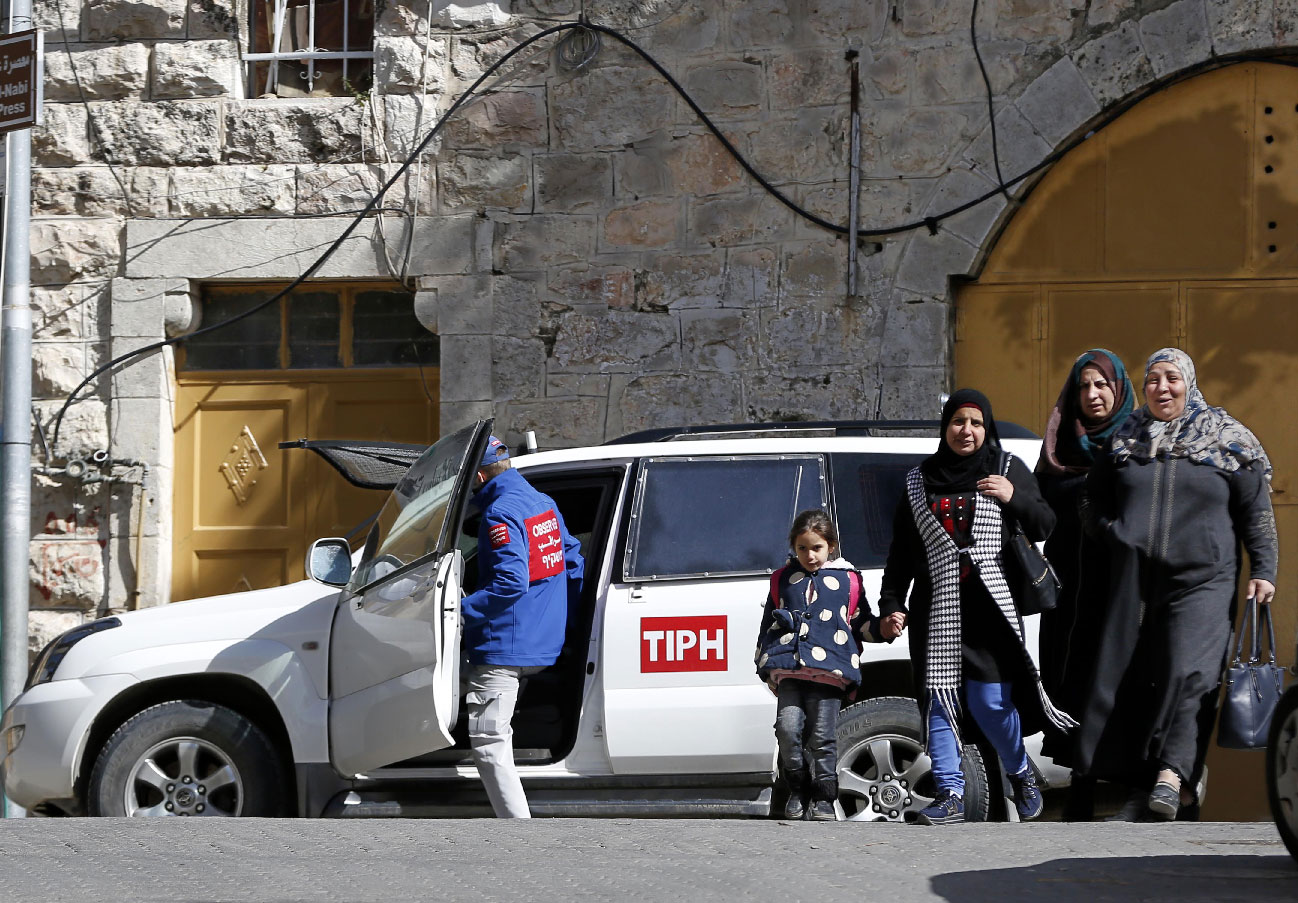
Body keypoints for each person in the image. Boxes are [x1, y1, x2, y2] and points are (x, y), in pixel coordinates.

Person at [1076, 348, 1277, 821]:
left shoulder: (1228, 438)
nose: (1162, 388)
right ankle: (1158, 784)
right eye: (1153, 379)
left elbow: (1256, 512)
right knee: (1140, 680)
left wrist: (1264, 570)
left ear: (1189, 382)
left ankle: (1172, 774)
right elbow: (1091, 498)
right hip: (1139, 583)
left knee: (1192, 673)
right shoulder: (1127, 437)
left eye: (1172, 378)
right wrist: (1112, 533)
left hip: (1204, 578)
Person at [878, 390, 1075, 825]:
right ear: (945, 426)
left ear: (987, 428)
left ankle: (1020, 771)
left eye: (976, 423)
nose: (966, 431)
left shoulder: (1005, 469)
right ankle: (949, 793)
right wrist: (891, 603)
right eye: (957, 422)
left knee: (989, 703)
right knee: (940, 701)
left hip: (992, 614)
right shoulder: (917, 481)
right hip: (936, 612)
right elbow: (901, 555)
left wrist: (1013, 497)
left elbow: (1046, 523)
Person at [1034, 349, 1135, 819]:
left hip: (1120, 592)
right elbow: (1036, 519)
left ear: (1119, 389)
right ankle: (1080, 782)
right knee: (1074, 682)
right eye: (1084, 386)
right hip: (1069, 595)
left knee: (1120, 681)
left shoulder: (1139, 443)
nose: (1093, 395)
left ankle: (1138, 780)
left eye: (1102, 385)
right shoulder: (1057, 451)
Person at [460, 435, 584, 818]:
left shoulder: (500, 513)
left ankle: (518, 832)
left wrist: (456, 612)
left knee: (488, 741)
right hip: (542, 645)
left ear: (479, 476)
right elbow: (572, 561)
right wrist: (566, 622)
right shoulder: (542, 504)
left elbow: (509, 582)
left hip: (504, 648)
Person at [755, 510, 901, 821]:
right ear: (794, 547)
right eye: (803, 548)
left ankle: (822, 798)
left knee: (822, 736)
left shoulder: (847, 580)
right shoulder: (783, 579)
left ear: (831, 546)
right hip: (790, 669)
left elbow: (859, 623)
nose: (810, 555)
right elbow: (768, 623)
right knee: (787, 728)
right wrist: (763, 664)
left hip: (830, 672)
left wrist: (884, 629)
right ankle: (798, 787)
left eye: (817, 548)